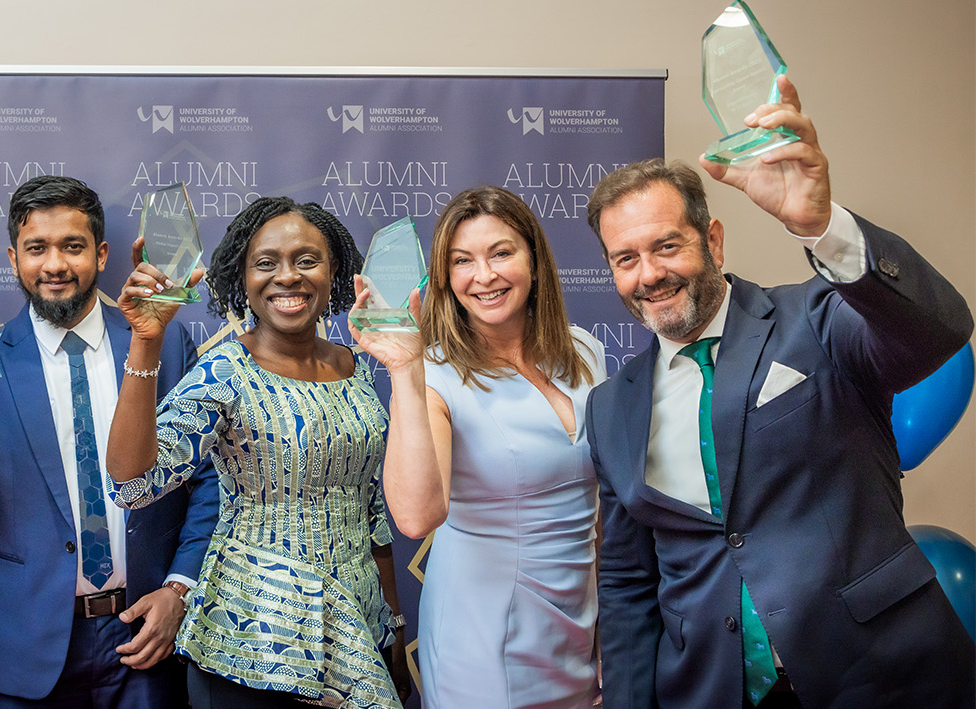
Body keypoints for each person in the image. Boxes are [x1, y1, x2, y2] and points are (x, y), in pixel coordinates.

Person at [584, 77, 976, 709]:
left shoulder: (816, 319)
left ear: (712, 240)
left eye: (666, 245)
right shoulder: (610, 408)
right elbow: (629, 581)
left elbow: (937, 332)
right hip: (711, 691)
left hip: (883, 676)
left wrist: (824, 227)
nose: (649, 274)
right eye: (624, 258)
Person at [0, 175, 218, 707]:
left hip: (145, 639)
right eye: (37, 248)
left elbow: (211, 479)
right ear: (14, 259)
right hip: (26, 647)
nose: (55, 264)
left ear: (100, 254)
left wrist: (179, 587)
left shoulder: (164, 343)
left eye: (72, 246)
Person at [102, 197, 410, 708]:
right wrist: (146, 341)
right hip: (251, 643)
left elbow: (372, 513)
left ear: (333, 270)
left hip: (357, 631)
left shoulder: (355, 366)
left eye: (306, 260)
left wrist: (392, 623)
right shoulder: (225, 372)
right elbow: (131, 487)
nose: (287, 276)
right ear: (242, 279)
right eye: (266, 263)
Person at [351, 186, 605, 708]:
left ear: (533, 258)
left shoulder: (585, 351)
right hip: (482, 635)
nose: (483, 276)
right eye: (462, 261)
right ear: (444, 278)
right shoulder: (434, 374)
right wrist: (404, 368)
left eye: (501, 253)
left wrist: (611, 626)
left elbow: (599, 508)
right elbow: (416, 517)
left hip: (581, 623)